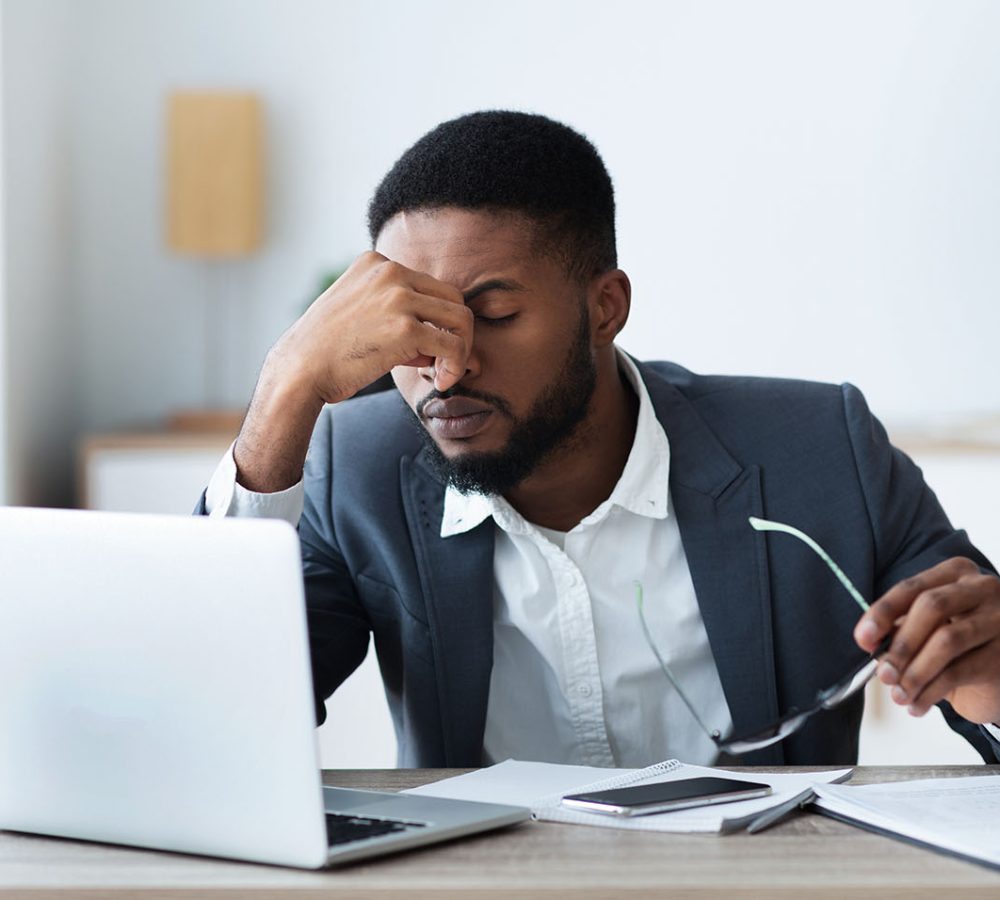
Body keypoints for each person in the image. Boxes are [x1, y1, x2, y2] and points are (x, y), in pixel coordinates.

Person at [200, 111, 1000, 767]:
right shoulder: (355, 472)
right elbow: (212, 722)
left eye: (495, 314)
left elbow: (976, 652)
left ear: (606, 307)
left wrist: (991, 681)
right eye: (418, 324)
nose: (445, 371)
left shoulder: (820, 450)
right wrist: (284, 389)